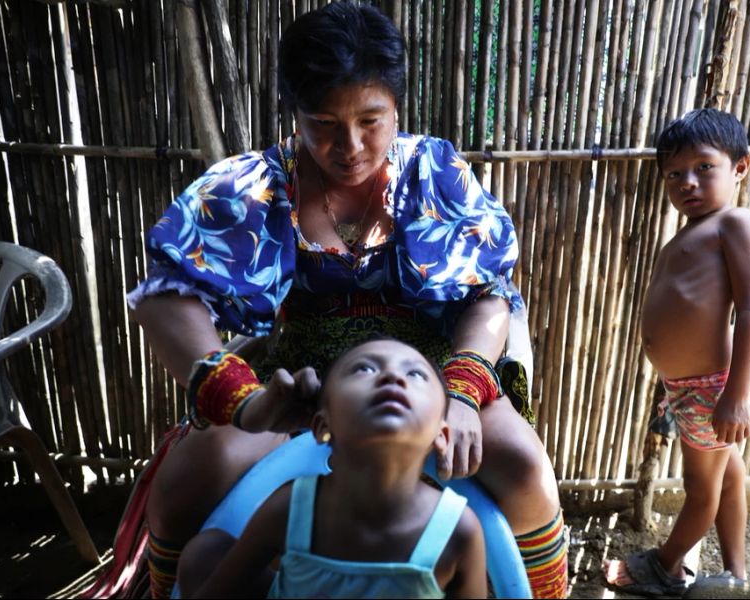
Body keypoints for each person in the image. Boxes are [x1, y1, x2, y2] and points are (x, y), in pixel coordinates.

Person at [125, 3, 565, 598]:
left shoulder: (434, 173)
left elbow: (490, 297)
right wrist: (244, 402)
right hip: (304, 388)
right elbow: (163, 297)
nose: (351, 145)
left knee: (523, 464)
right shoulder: (252, 187)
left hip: (430, 376)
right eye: (325, 122)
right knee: (185, 482)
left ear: (397, 107)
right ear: (295, 112)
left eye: (371, 120)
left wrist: (462, 393)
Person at [176, 338, 487, 599]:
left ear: (442, 436)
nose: (393, 377)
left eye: (416, 374)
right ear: (322, 424)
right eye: (364, 369)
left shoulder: (458, 531)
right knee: (203, 556)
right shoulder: (290, 509)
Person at [603, 109, 750, 596]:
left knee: (702, 490)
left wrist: (736, 395)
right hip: (687, 387)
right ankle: (736, 576)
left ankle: (666, 567)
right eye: (675, 174)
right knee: (729, 475)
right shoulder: (688, 234)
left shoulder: (733, 223)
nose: (687, 183)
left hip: (712, 387)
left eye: (703, 168)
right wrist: (668, 382)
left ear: (740, 168)